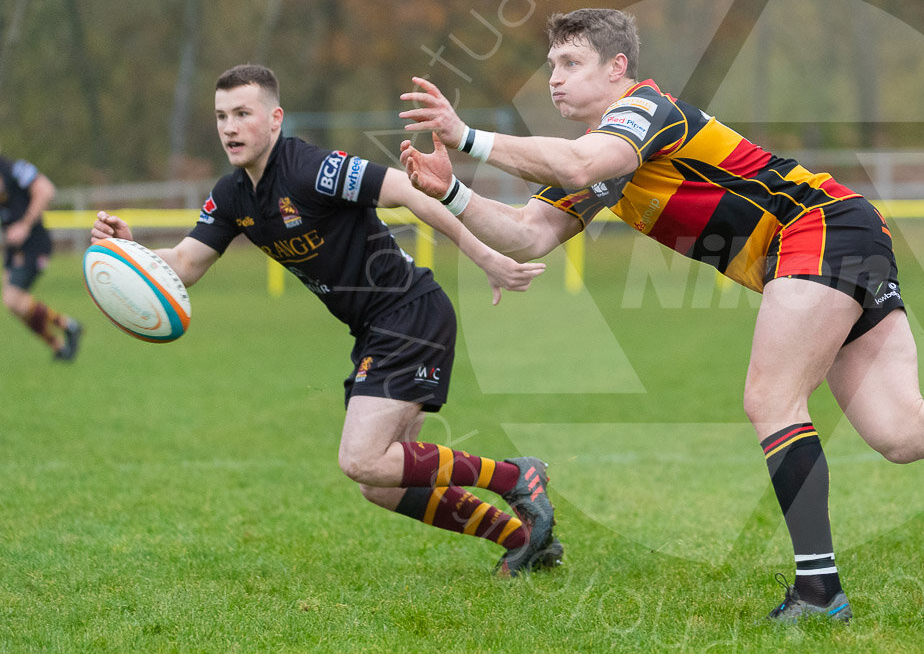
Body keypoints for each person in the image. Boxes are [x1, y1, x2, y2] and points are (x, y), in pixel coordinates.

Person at [396, 8, 924, 622]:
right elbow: (528, 234)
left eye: (569, 64)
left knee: (769, 398)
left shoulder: (643, 110)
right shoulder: (605, 159)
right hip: (841, 235)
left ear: (616, 70)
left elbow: (582, 165)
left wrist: (469, 139)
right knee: (900, 433)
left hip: (820, 228)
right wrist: (451, 191)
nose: (553, 79)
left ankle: (818, 591)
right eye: (552, 65)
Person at [89, 64, 562, 577]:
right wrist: (131, 252)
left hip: (408, 313)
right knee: (381, 483)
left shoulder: (310, 168)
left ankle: (516, 476)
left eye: (242, 114)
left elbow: (407, 189)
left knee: (361, 458)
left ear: (275, 119)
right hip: (376, 328)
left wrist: (484, 255)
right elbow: (184, 265)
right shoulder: (231, 196)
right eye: (222, 116)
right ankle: (523, 538)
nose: (229, 127)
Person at [1, 151, 83, 361]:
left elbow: (46, 190)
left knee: (12, 299)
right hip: (14, 249)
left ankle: (67, 327)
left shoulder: (15, 169)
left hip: (34, 244)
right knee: (17, 305)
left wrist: (24, 225)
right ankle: (59, 342)